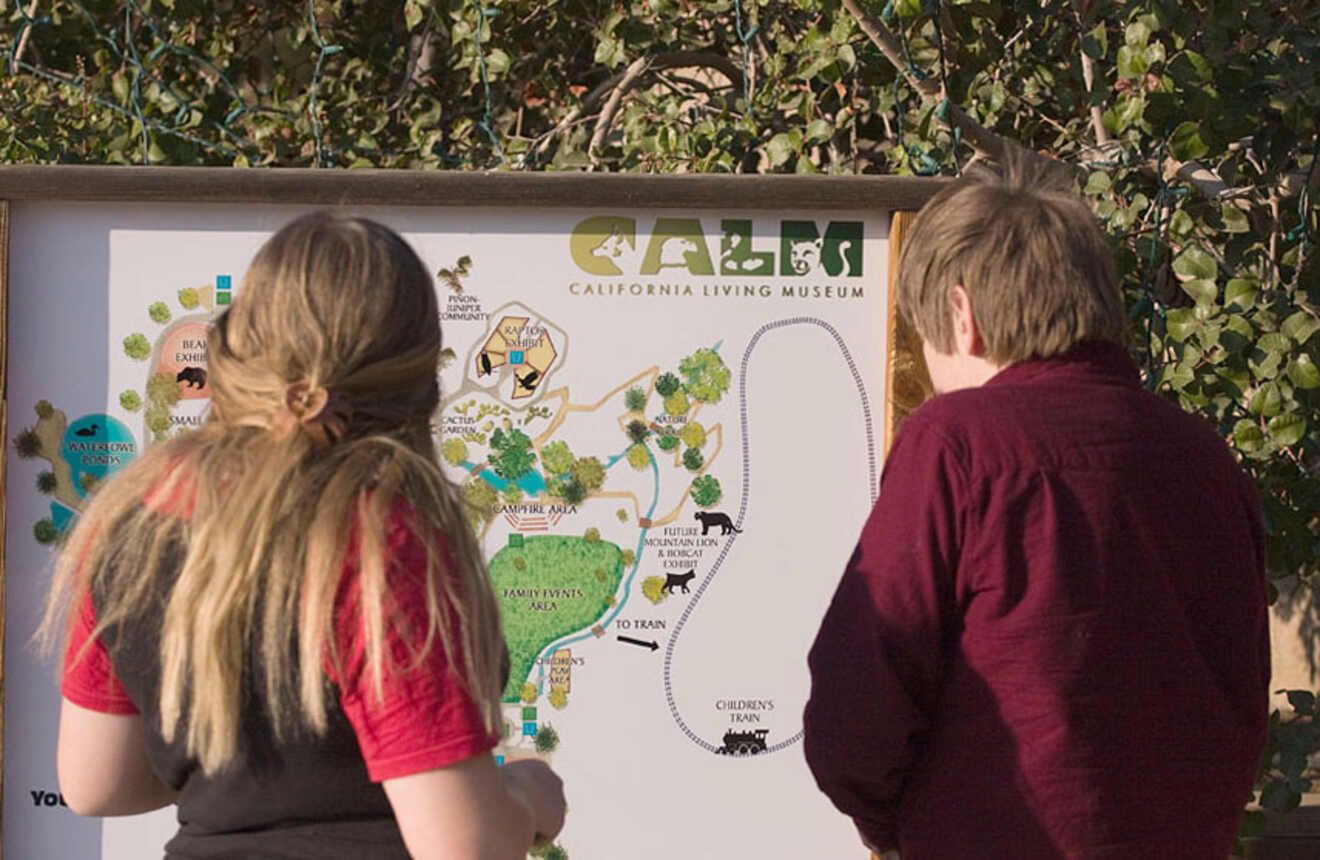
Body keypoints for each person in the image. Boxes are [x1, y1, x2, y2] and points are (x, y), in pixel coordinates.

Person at [41, 213, 566, 859]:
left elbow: (96, 785)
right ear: (417, 377)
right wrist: (524, 798)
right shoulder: (378, 540)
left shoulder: (134, 519)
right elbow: (463, 846)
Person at [802, 159, 1269, 859]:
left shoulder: (955, 441)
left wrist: (900, 827)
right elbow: (1240, 688)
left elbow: (856, 706)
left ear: (961, 317)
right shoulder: (1201, 454)